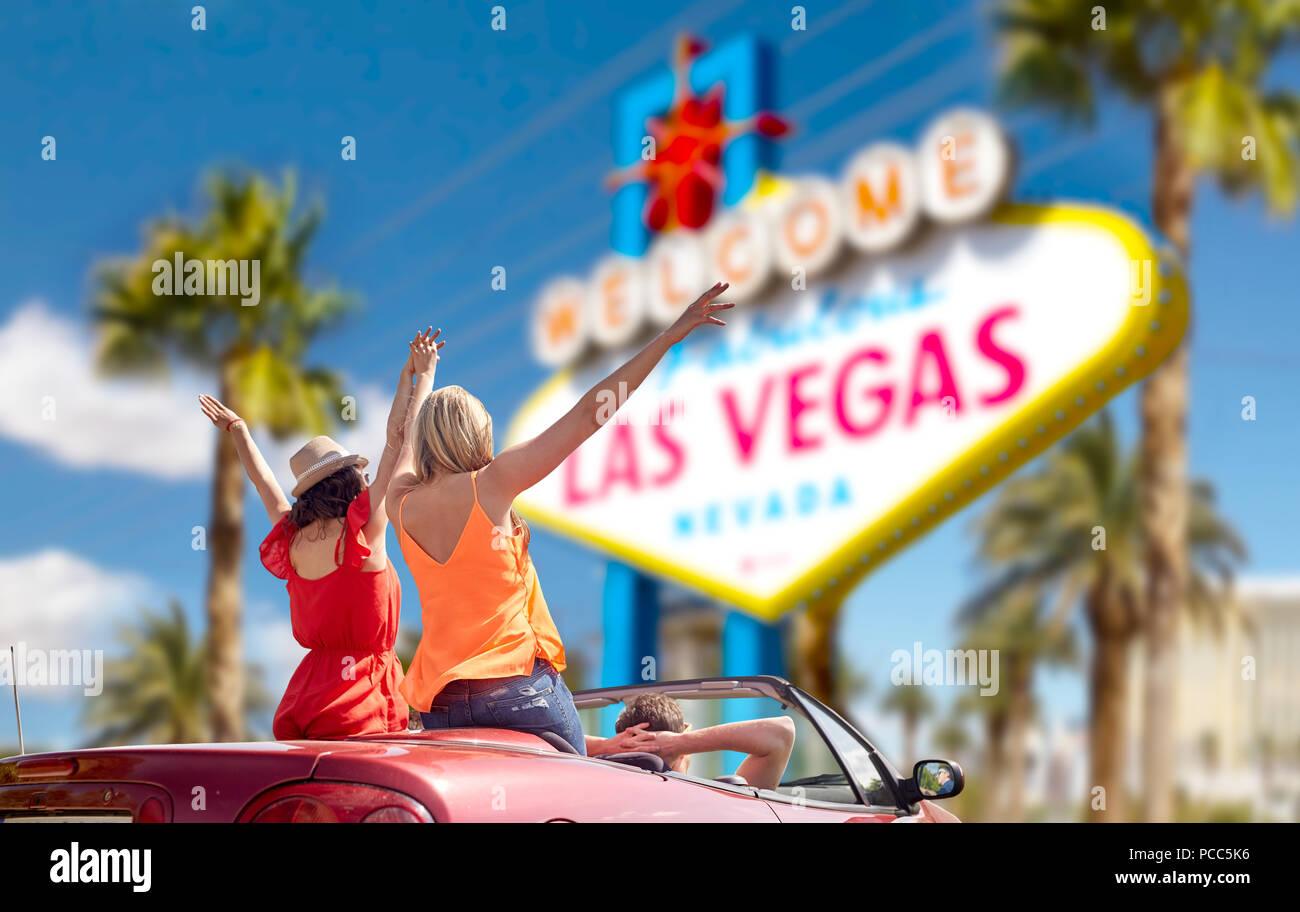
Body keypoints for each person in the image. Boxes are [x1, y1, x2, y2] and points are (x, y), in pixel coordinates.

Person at [390, 283, 734, 755]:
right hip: (517, 693)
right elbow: (588, 415)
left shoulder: (400, 503)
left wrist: (422, 379)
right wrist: (667, 338)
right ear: (476, 433)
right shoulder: (491, 484)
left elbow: (405, 435)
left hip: (441, 707)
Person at [196, 329, 442, 740]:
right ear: (349, 482)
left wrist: (239, 430)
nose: (368, 479)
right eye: (361, 474)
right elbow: (401, 445)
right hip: (363, 698)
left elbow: (263, 483)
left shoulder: (291, 540)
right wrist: (422, 377)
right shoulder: (363, 531)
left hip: (309, 698)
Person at [605, 693, 796, 791]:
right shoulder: (719, 804)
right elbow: (782, 733)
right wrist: (680, 743)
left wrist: (608, 748)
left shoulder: (599, 800)